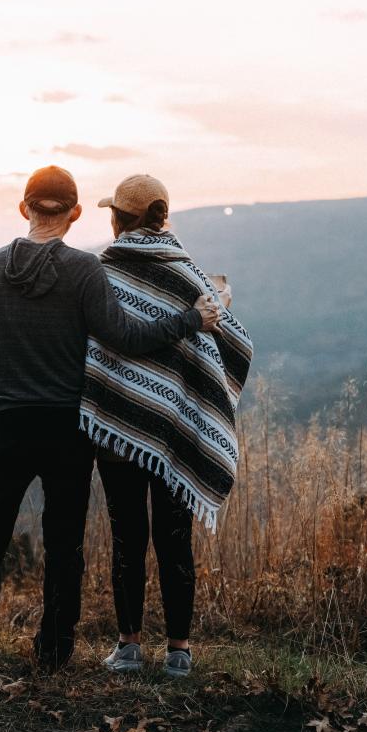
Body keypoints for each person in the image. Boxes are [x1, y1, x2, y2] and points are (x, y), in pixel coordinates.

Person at [0, 165, 221, 678]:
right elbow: (124, 338)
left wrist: (12, 375)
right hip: (68, 427)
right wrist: (190, 320)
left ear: (24, 209)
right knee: (63, 543)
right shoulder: (85, 271)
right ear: (73, 214)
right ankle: (53, 654)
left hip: (4, 418)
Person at [80, 175, 253, 678]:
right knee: (175, 538)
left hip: (119, 425)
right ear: (162, 216)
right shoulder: (189, 274)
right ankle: (179, 652)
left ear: (118, 218)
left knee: (126, 535)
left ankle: (129, 646)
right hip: (177, 431)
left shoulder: (104, 270)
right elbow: (233, 340)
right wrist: (219, 301)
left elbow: (107, 337)